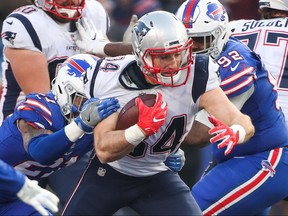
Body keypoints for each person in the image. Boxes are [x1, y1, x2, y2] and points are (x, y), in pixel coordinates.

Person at [60, 11, 255, 215]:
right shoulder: (110, 78)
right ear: (140, 55)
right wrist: (140, 129)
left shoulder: (198, 73)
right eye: (163, 57)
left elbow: (240, 120)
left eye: (178, 53)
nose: (173, 63)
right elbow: (104, 150)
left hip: (157, 176)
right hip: (109, 174)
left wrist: (237, 132)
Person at [175, 0, 288, 215]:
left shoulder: (236, 61)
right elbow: (164, 47)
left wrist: (151, 129)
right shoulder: (216, 42)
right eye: (187, 41)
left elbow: (197, 136)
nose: (193, 47)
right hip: (235, 157)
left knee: (192, 209)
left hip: (265, 154)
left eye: (200, 40)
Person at [0, 54, 120, 215]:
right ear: (64, 89)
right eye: (82, 101)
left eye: (96, 101)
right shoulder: (39, 107)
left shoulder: (95, 121)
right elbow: (40, 152)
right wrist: (80, 125)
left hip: (15, 196)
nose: (90, 108)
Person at [0, 0, 132, 123]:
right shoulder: (25, 23)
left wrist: (121, 53)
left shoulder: (93, 12)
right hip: (28, 122)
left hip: (83, 113)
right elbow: (44, 104)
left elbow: (107, 79)